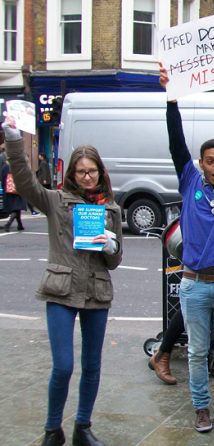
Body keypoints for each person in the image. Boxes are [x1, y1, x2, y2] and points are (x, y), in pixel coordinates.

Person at [3, 117, 123, 446]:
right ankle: (52, 429)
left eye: (92, 171)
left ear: (101, 173)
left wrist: (110, 245)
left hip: (97, 292)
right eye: (81, 171)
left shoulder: (111, 209)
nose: (87, 177)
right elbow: (26, 184)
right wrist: (14, 140)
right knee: (64, 366)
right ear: (72, 174)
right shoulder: (57, 201)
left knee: (93, 366)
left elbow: (114, 261)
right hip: (61, 290)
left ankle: (83, 427)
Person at [159, 64, 214, 433]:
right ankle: (201, 407)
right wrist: (171, 99)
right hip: (194, 284)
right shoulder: (188, 179)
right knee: (196, 352)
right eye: (209, 161)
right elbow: (175, 140)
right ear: (200, 163)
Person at [2, 154, 27, 231]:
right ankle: (8, 224)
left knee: (16, 208)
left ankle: (20, 225)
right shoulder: (16, 167)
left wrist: (5, 188)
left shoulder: (4, 167)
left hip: (8, 190)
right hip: (17, 190)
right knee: (16, 208)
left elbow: (2, 179)